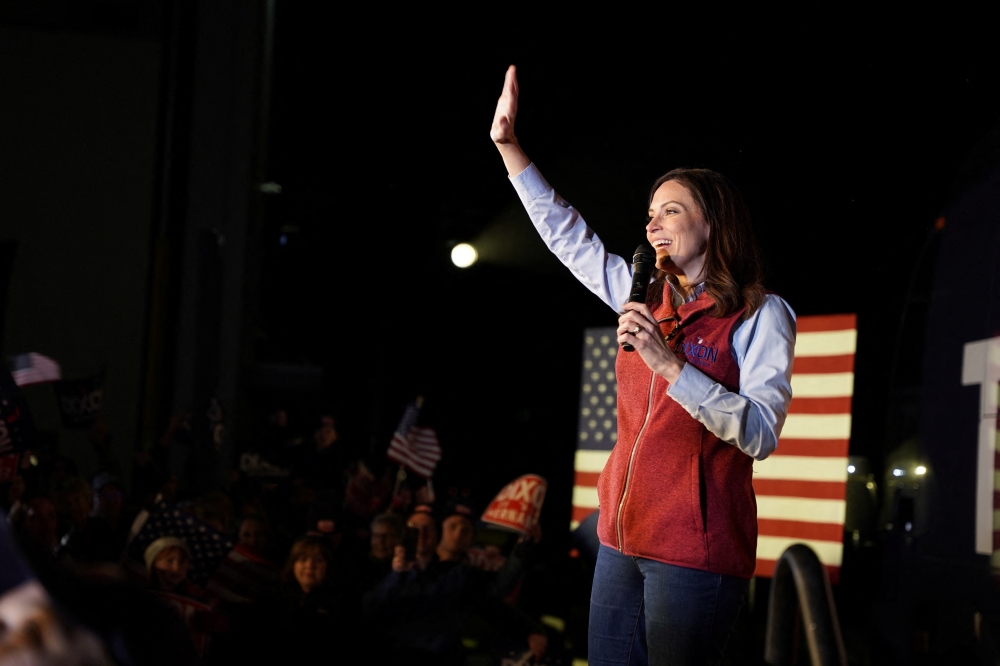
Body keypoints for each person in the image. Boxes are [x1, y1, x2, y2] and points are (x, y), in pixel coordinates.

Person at [490, 66, 796, 665]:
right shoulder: (642, 295)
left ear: (713, 223)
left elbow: (760, 434)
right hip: (618, 543)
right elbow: (567, 236)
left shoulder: (762, 313)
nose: (652, 222)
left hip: (694, 554)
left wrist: (667, 362)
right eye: (650, 212)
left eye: (672, 211)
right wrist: (509, 147)